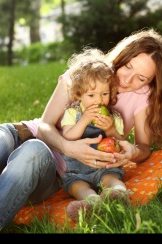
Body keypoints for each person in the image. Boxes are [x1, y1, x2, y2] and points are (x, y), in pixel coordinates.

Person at [0, 28, 162, 233]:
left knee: (32, 151)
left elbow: (144, 149)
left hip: (47, 167)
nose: (127, 79)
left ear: (151, 82)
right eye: (128, 66)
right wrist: (68, 145)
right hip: (21, 133)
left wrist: (132, 150)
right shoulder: (85, 73)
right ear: (122, 55)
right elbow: (43, 126)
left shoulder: (140, 97)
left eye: (141, 78)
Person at [59, 48, 130, 221]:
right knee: (77, 186)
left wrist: (111, 129)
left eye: (104, 94)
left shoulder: (113, 116)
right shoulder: (72, 113)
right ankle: (92, 204)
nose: (99, 100)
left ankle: (118, 194)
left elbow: (121, 142)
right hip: (76, 170)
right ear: (79, 94)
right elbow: (67, 137)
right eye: (91, 95)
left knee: (111, 178)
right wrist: (83, 120)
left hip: (105, 166)